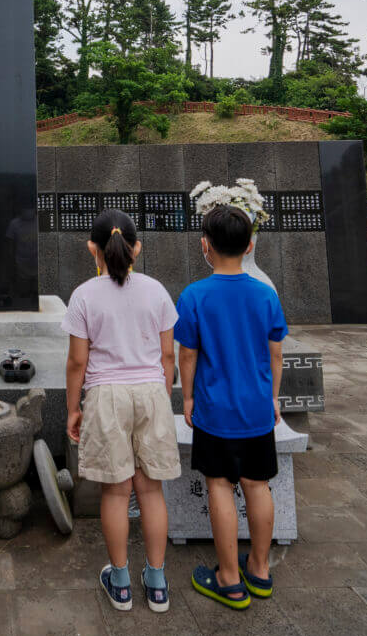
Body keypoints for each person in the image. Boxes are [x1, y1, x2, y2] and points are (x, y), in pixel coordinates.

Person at [63, 209, 181, 613]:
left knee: (116, 492)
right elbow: (168, 355)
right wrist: (161, 398)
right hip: (150, 391)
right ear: (137, 248)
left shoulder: (83, 295)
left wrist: (72, 408)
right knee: (151, 490)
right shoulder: (157, 291)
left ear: (91, 249)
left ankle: (120, 581)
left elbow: (77, 362)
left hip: (106, 396)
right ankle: (158, 580)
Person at [174, 203, 288, 610]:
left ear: (205, 245)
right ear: (250, 244)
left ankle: (228, 577)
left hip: (215, 410)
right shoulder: (265, 295)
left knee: (219, 484)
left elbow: (187, 355)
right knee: (258, 484)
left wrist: (187, 397)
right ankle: (259, 569)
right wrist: (272, 397)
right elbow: (276, 354)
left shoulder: (194, 296)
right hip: (257, 409)